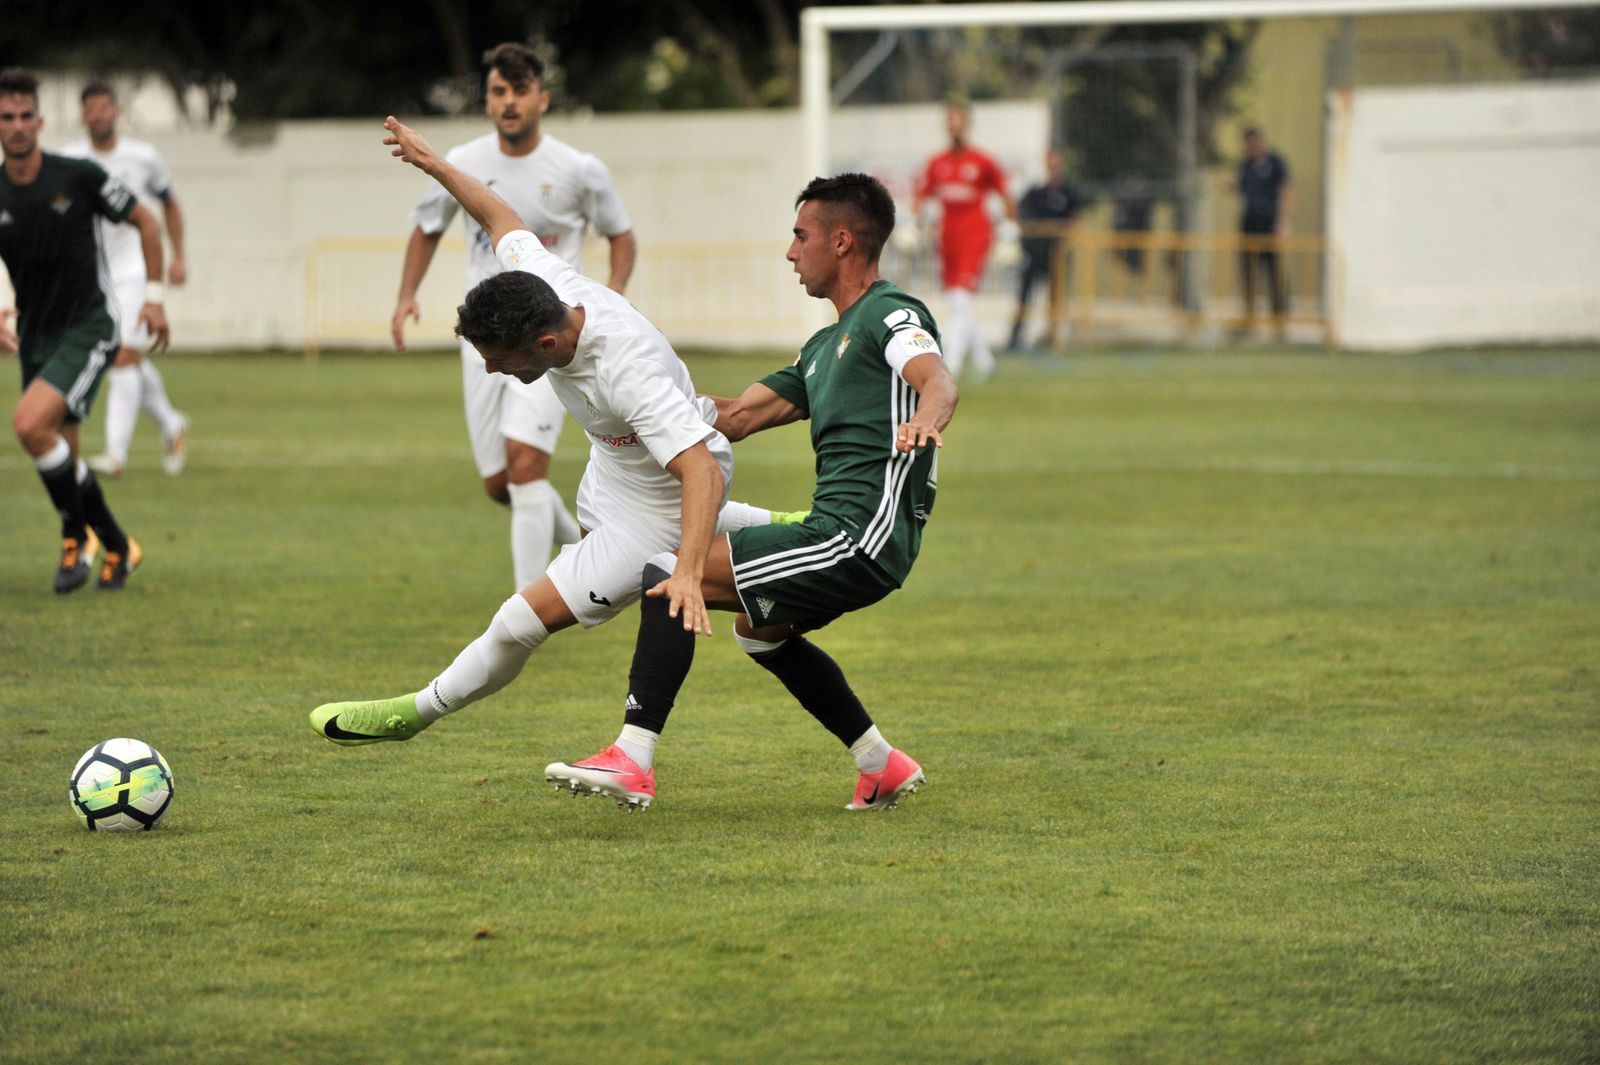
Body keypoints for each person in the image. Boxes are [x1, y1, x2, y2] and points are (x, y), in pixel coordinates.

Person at [309, 116, 799, 783]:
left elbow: (702, 468)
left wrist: (684, 572)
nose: (490, 370)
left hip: (656, 510)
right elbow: (498, 214)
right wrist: (434, 164)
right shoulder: (543, 283)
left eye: (497, 359)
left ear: (544, 346)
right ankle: (773, 529)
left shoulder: (622, 368)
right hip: (614, 473)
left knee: (518, 621)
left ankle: (414, 712)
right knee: (585, 554)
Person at [545, 171, 957, 813]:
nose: (790, 252)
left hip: (858, 537)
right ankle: (881, 764)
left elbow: (936, 379)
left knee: (671, 571)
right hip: (840, 532)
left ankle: (633, 757)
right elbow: (735, 417)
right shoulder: (823, 347)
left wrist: (926, 419)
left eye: (801, 236)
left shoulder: (890, 313)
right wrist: (637, 391)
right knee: (760, 633)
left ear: (842, 241)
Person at [393, 43, 632, 590]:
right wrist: (406, 294)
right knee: (501, 483)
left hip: (549, 338)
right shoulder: (465, 162)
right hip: (484, 341)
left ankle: (528, 607)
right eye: (499, 91)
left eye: (520, 91)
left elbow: (622, 234)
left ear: (542, 99)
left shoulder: (579, 169)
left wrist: (612, 295)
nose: (509, 102)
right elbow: (427, 228)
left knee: (526, 468)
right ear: (487, 99)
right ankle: (585, 551)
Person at [0, 68, 167, 592]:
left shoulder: (77, 176)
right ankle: (114, 545)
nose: (18, 125)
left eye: (26, 115)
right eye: (7, 117)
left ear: (40, 122)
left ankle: (77, 539)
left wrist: (155, 299)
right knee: (59, 450)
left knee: (29, 426)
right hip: (36, 335)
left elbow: (147, 222)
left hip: (89, 326)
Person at [61, 82, 189, 479]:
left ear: (116, 112)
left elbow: (169, 203)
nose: (98, 115)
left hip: (135, 268)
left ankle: (115, 455)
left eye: (104, 107)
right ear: (83, 115)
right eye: (91, 109)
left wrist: (179, 255)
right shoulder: (70, 160)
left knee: (123, 356)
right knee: (120, 355)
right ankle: (171, 423)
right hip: (92, 274)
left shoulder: (143, 157)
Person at [911, 102, 1016, 381]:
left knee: (960, 297)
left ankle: (951, 364)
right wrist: (913, 224)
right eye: (951, 123)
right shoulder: (937, 163)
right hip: (947, 238)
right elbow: (920, 197)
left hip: (975, 235)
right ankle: (985, 360)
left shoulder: (982, 161)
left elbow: (1006, 195)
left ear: (967, 125)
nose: (955, 129)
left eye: (960, 123)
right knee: (958, 301)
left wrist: (1011, 228)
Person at [1009, 147, 1086, 352]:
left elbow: (1076, 220)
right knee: (1025, 296)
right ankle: (1015, 338)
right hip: (1035, 253)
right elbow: (1020, 214)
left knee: (1056, 298)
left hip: (1058, 254)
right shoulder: (1036, 193)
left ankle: (1054, 337)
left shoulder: (1068, 193)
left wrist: (1064, 233)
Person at [1234, 127, 1293, 337]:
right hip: (1250, 223)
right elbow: (1243, 189)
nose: (1248, 149)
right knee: (1248, 271)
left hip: (1270, 223)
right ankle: (1249, 319)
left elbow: (1286, 190)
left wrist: (1283, 221)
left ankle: (1279, 320)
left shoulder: (1275, 162)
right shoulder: (1245, 165)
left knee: (1274, 273)